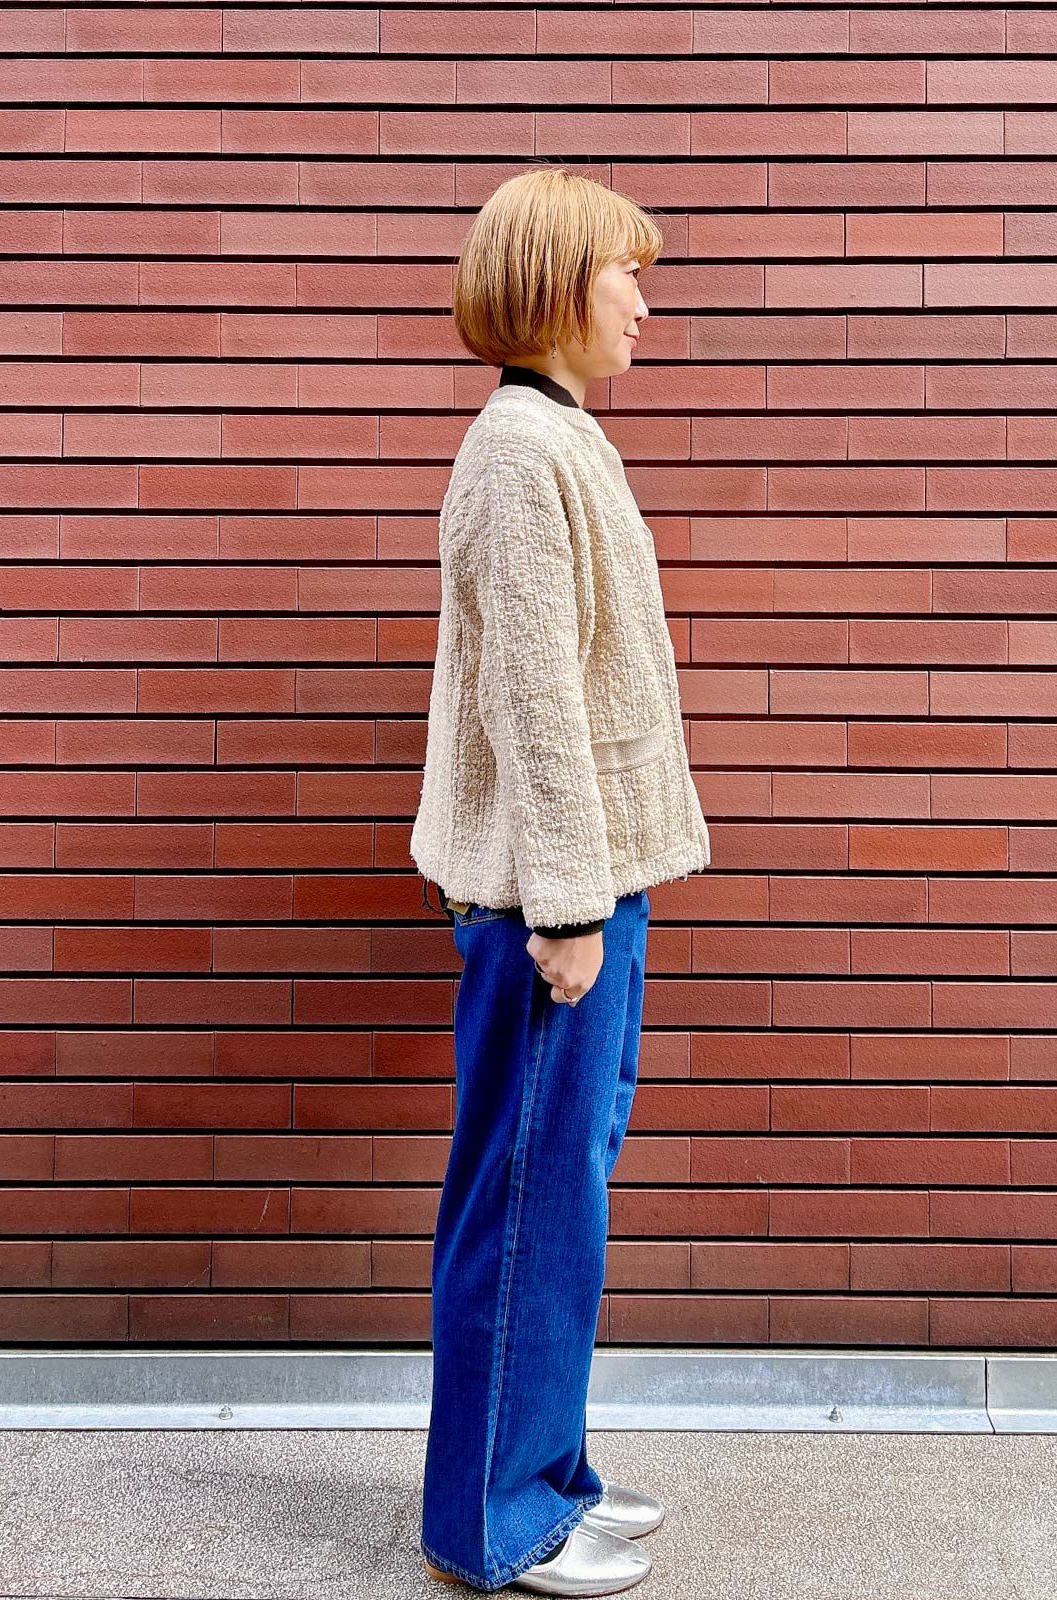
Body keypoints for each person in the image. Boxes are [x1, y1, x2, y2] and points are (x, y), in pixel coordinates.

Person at [409, 165, 711, 1595]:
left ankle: (550, 1469)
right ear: (550, 287)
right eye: (624, 273)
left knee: (561, 1199)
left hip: (589, 886)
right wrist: (573, 906)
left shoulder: (560, 435)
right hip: (554, 902)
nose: (644, 300)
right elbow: (534, 702)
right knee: (528, 1207)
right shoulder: (518, 454)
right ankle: (496, 1519)